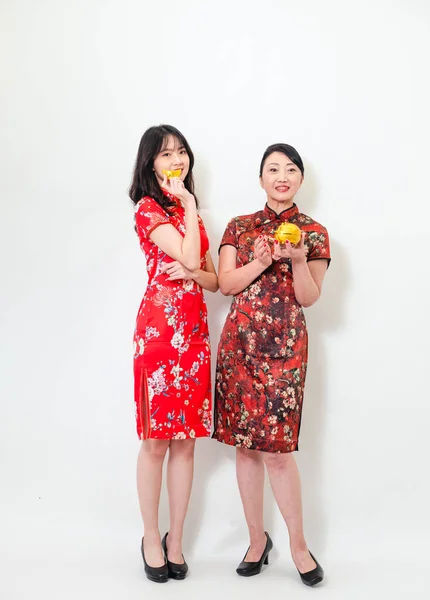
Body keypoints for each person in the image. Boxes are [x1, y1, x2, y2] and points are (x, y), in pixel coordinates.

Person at [213, 143, 330, 586]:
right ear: (260, 178)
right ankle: (257, 541)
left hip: (285, 351)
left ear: (301, 179)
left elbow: (309, 297)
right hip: (240, 348)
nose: (282, 176)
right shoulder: (240, 227)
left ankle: (298, 547)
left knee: (278, 453)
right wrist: (261, 260)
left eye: (291, 169)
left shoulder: (313, 232)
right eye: (273, 169)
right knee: (245, 447)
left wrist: (298, 260)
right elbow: (225, 284)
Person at [129, 124, 218, 583]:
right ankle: (150, 536)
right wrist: (186, 208)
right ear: (150, 164)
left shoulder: (193, 212)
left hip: (195, 333)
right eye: (166, 154)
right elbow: (186, 253)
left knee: (186, 442)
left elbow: (212, 278)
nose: (176, 160)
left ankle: (176, 540)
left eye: (181, 152)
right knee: (155, 442)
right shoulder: (148, 209)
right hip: (161, 334)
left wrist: (193, 269)